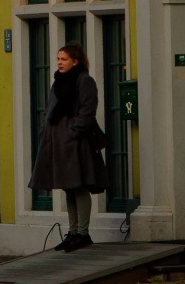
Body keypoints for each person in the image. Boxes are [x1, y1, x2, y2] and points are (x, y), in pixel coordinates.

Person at [30, 45, 106, 248]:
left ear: (76, 61)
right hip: (57, 141)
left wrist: (73, 131)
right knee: (68, 187)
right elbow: (50, 109)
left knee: (79, 186)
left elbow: (88, 111)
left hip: (76, 142)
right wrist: (47, 131)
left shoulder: (85, 81)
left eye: (64, 59)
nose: (59, 62)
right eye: (58, 58)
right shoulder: (58, 82)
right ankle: (72, 232)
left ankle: (83, 233)